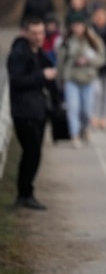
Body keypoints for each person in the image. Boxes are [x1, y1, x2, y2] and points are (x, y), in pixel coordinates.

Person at [7, 17, 60, 210]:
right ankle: (24, 194)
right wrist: (41, 76)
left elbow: (51, 77)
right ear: (26, 33)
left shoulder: (41, 54)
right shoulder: (19, 54)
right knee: (32, 152)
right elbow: (17, 81)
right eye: (34, 33)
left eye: (41, 33)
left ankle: (26, 193)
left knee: (34, 154)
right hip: (23, 112)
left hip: (38, 110)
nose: (38, 37)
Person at [57, 13, 106, 148]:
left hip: (88, 78)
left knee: (86, 109)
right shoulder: (67, 41)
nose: (77, 28)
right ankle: (75, 135)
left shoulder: (93, 41)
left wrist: (88, 60)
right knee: (73, 108)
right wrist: (59, 79)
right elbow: (61, 62)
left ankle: (86, 128)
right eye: (74, 26)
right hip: (71, 78)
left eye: (79, 26)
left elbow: (102, 58)